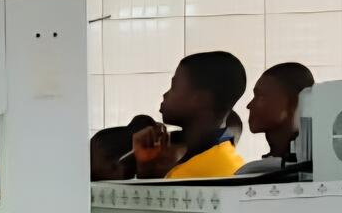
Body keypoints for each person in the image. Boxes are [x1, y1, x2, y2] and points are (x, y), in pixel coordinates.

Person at [133, 51, 247, 179]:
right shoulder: (224, 155)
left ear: (200, 99)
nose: (165, 94)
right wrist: (147, 168)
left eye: (174, 87)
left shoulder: (192, 175)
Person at [239, 62, 315, 174]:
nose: (249, 105)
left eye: (260, 96)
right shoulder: (255, 170)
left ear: (294, 102)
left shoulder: (317, 169)